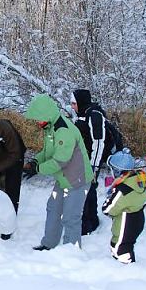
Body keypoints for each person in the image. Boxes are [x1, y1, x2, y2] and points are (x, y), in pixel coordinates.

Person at [24, 94, 93, 250]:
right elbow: (48, 151)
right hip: (63, 180)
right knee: (53, 209)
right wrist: (36, 161)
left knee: (70, 217)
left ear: (47, 115)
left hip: (77, 181)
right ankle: (49, 244)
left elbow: (60, 161)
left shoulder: (63, 131)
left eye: (38, 119)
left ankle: (71, 253)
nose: (37, 123)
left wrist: (38, 169)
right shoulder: (50, 128)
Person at [71, 89, 119, 236]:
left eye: (74, 103)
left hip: (92, 160)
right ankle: (91, 220)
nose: (72, 106)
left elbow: (98, 142)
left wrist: (94, 166)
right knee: (89, 189)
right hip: (84, 159)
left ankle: (85, 225)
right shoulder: (83, 115)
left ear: (81, 102)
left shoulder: (94, 115)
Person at [102, 149, 146, 263]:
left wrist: (107, 201)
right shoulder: (138, 180)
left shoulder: (123, 189)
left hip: (125, 223)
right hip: (137, 217)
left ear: (118, 171)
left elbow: (109, 209)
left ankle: (125, 270)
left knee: (120, 249)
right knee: (127, 244)